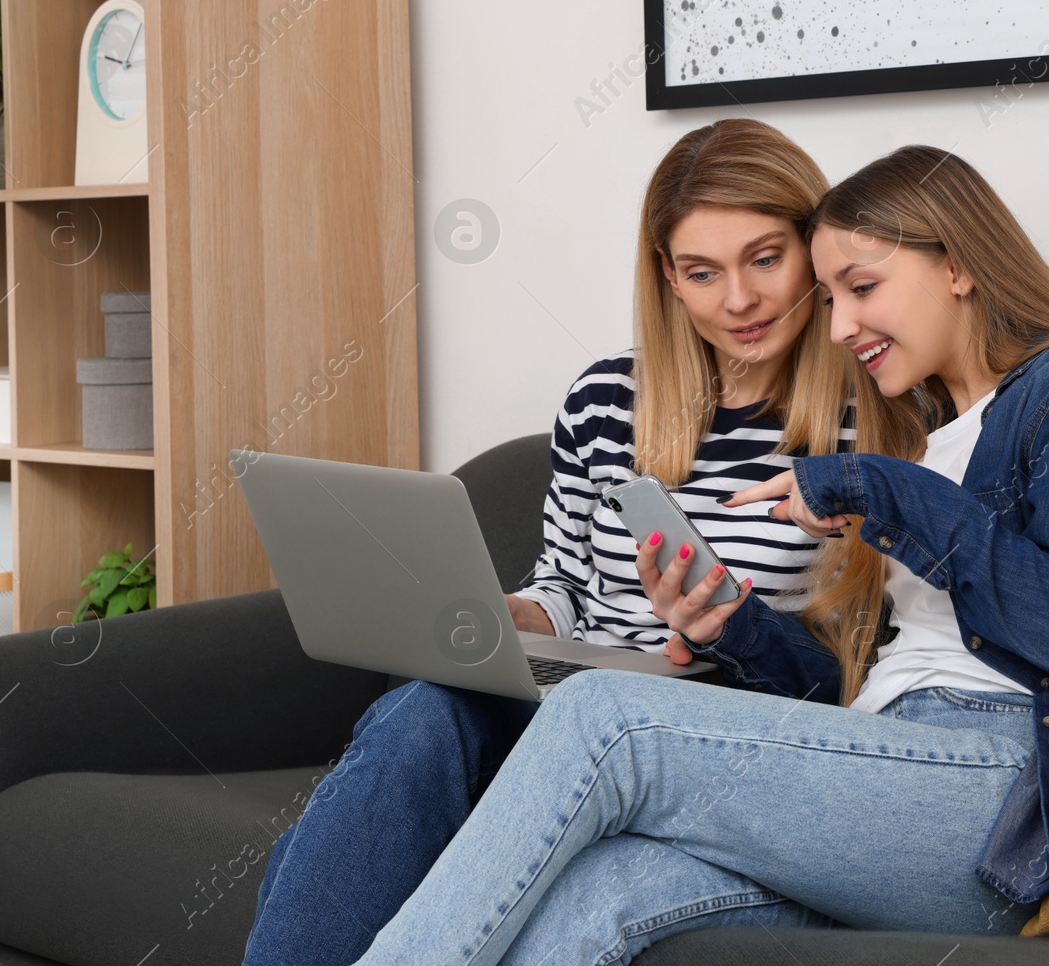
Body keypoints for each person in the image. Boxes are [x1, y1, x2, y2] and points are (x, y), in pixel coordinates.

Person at [349, 145, 1049, 965]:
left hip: (1000, 803)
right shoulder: (934, 429)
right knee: (597, 889)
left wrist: (878, 489)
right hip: (885, 768)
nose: (840, 326)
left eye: (862, 287)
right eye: (832, 296)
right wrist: (737, 623)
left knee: (599, 716)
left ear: (959, 264)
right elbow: (850, 694)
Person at [240, 118, 867, 966]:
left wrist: (729, 624)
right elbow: (568, 583)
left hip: (717, 725)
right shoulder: (608, 398)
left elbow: (855, 666)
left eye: (765, 259)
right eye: (702, 271)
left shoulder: (872, 417)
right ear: (667, 279)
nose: (739, 300)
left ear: (814, 251)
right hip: (575, 694)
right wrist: (521, 616)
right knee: (426, 711)